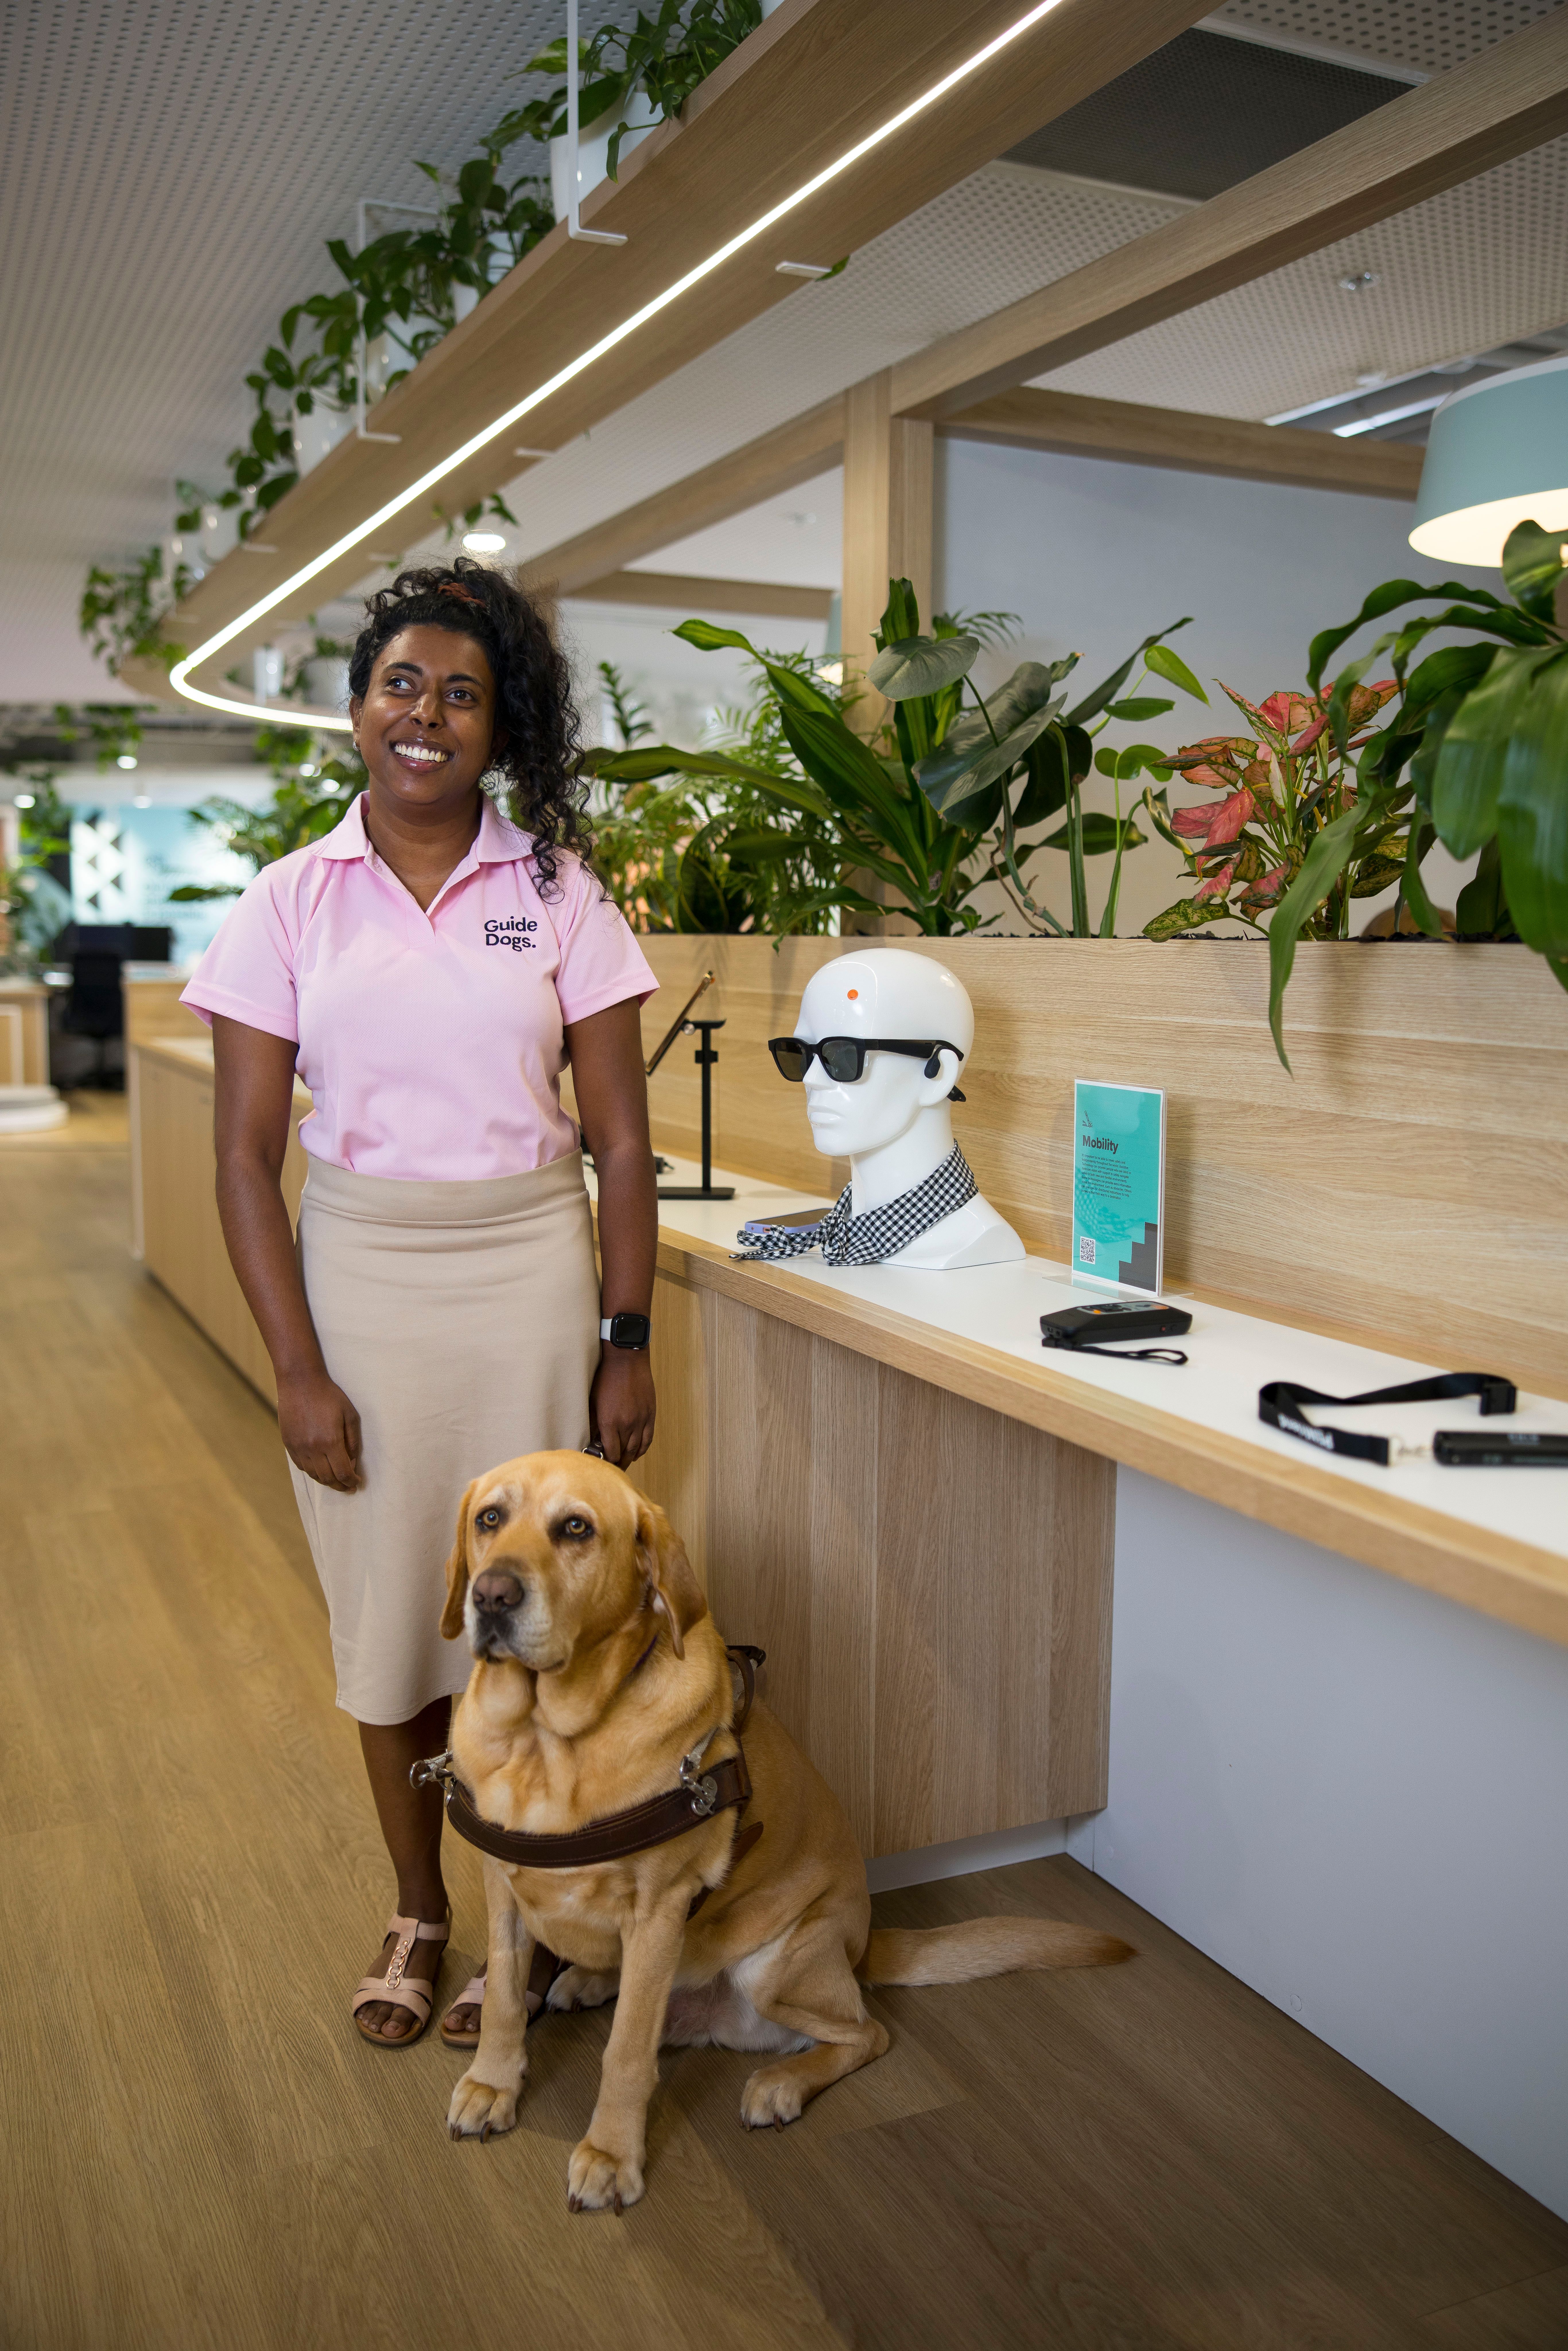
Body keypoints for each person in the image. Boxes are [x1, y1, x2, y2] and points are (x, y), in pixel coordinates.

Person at [181, 560, 659, 2047]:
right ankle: (419, 1907)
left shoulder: (560, 892)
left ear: (499, 727)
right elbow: (245, 1161)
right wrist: (296, 1370)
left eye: (462, 694)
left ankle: (534, 1920)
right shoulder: (288, 902)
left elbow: (623, 1142)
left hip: (531, 1277)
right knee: (396, 1625)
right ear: (356, 710)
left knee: (537, 1623)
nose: (427, 717)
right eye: (402, 686)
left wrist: (625, 1341)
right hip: (366, 1283)